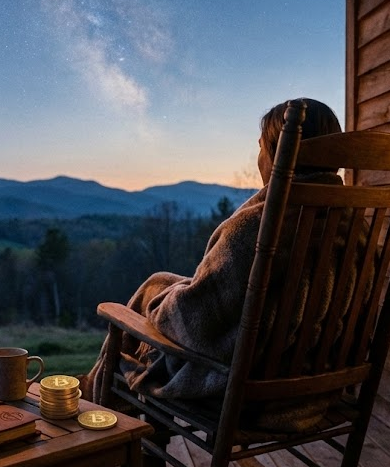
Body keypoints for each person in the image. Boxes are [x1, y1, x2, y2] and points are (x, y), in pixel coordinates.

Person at [83, 98, 361, 428]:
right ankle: (92, 392)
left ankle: (99, 422)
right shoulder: (357, 229)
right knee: (160, 283)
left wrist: (161, 305)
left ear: (276, 154)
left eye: (261, 147)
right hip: (318, 390)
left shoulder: (256, 230)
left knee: (134, 335)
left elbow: (194, 322)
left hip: (248, 398)